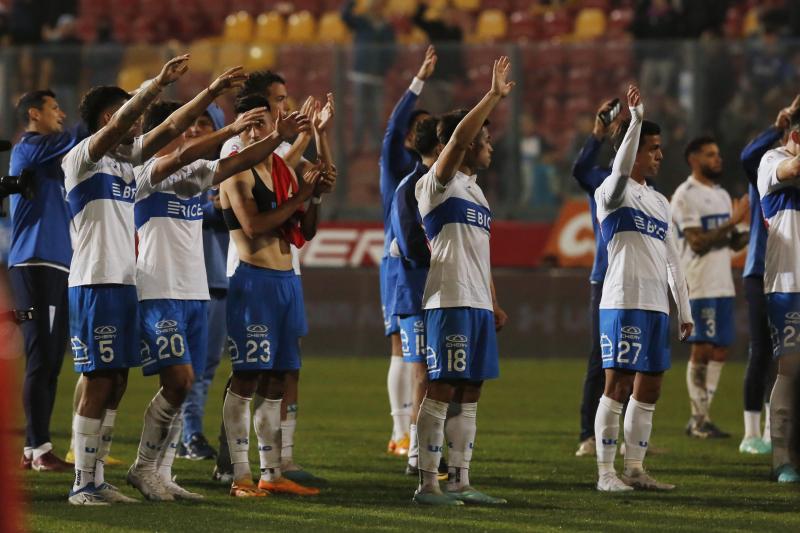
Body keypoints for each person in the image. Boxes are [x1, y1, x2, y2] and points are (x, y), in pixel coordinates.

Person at [128, 86, 303, 501]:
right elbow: (190, 154)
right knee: (180, 380)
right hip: (159, 288)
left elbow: (238, 161)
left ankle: (162, 474)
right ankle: (142, 467)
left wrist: (277, 137)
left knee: (185, 384)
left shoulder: (192, 180)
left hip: (195, 290)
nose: (191, 136)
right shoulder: (145, 174)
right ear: (164, 134)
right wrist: (231, 130)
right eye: (185, 129)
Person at [62, 54, 193, 505]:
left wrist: (209, 94)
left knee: (116, 380)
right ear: (108, 117)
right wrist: (154, 84)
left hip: (123, 283)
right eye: (130, 117)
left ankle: (96, 477)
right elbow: (122, 128)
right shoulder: (81, 159)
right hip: (94, 282)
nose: (138, 128)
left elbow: (168, 130)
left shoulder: (126, 169)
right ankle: (82, 483)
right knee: (99, 380)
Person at [214, 70, 328, 484]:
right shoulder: (234, 166)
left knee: (279, 377)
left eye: (271, 119)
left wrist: (311, 192)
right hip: (254, 282)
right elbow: (254, 226)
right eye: (260, 123)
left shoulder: (278, 170)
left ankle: (271, 471)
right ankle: (238, 473)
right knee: (247, 376)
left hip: (285, 283)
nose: (271, 126)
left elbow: (305, 228)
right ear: (244, 128)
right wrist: (301, 194)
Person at [412, 56, 511, 506]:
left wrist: (493, 299)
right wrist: (491, 97)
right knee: (442, 388)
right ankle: (428, 484)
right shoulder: (436, 185)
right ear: (468, 144)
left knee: (471, 392)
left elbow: (480, 254)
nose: (490, 146)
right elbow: (455, 140)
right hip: (447, 298)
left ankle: (460, 481)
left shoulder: (477, 192)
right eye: (485, 139)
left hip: (475, 301)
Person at [593, 85, 693, 492]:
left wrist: (683, 309)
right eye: (652, 148)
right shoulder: (611, 194)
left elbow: (673, 259)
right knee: (616, 386)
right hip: (623, 301)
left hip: (655, 306)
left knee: (649, 387)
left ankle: (634, 469)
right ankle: (604, 474)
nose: (659, 154)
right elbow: (618, 174)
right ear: (632, 151)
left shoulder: (660, 202)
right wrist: (634, 120)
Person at [8, 89, 86, 471]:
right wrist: (100, 112)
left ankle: (33, 448)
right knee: (41, 358)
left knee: (52, 359)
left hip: (57, 265)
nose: (62, 113)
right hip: (35, 264)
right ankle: (38, 449)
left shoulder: (50, 161)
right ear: (34, 114)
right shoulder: (29, 147)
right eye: (55, 108)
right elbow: (79, 135)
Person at [671, 136, 749, 439]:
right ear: (693, 159)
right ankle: (697, 418)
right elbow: (697, 242)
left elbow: (732, 242)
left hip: (723, 282)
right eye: (710, 155)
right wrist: (732, 223)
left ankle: (702, 417)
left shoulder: (720, 193)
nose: (718, 159)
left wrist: (752, 225)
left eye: (718, 154)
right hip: (698, 281)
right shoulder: (685, 194)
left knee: (720, 350)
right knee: (702, 348)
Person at [380, 46, 435, 457]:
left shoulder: (435, 177)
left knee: (419, 350)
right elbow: (393, 129)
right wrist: (417, 83)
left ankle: (413, 430)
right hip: (397, 262)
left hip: (427, 262)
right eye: (414, 128)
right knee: (402, 344)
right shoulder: (396, 170)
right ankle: (401, 432)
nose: (417, 133)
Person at [737, 99, 798, 454]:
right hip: (765, 271)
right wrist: (781, 124)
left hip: (784, 270)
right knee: (764, 353)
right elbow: (750, 155)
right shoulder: (766, 165)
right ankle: (753, 432)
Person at [388, 115, 441, 475]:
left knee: (440, 374)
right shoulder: (410, 187)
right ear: (438, 146)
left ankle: (432, 449)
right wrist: (445, 255)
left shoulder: (445, 185)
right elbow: (408, 243)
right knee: (422, 373)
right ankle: (415, 453)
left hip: (440, 292)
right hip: (416, 294)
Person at [570, 99, 622, 457]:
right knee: (600, 357)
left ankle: (625, 436)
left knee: (633, 360)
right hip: (605, 278)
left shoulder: (649, 189)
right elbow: (579, 169)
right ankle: (588, 434)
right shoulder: (602, 179)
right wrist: (597, 135)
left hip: (636, 280)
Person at [177, 104, 229, 461]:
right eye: (192, 123)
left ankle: (188, 434)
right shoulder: (175, 169)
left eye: (204, 123)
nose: (195, 129)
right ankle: (188, 434)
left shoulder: (227, 170)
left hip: (220, 280)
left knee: (207, 366)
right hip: (183, 281)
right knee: (186, 366)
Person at [756, 106, 800, 483]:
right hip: (788, 285)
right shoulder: (772, 159)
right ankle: (781, 460)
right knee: (790, 369)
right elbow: (793, 170)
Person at [341, 0, 396, 152]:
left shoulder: (387, 28)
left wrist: (385, 67)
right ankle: (357, 143)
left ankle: (376, 144)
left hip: (378, 76)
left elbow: (391, 51)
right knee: (359, 111)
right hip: (360, 74)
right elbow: (345, 16)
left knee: (376, 112)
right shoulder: (361, 23)